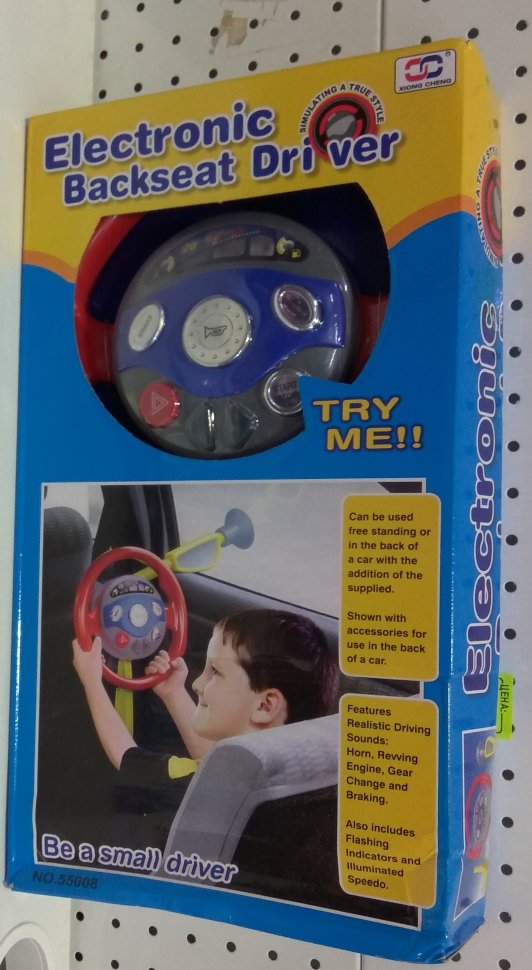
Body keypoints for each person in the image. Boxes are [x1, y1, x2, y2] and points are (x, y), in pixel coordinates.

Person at [72, 608, 338, 792]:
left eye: (215, 672)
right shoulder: (283, 770)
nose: (197, 684)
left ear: (265, 706)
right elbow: (211, 757)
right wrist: (174, 693)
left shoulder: (203, 784)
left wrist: (92, 681)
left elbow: (126, 757)